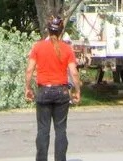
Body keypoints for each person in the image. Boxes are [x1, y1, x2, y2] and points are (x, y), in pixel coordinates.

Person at [25, 15, 81, 161]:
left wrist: (28, 88)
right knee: (61, 130)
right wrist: (77, 91)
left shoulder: (38, 47)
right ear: (61, 31)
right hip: (61, 92)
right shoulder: (67, 49)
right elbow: (74, 72)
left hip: (43, 91)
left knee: (43, 130)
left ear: (48, 30)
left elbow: (29, 70)